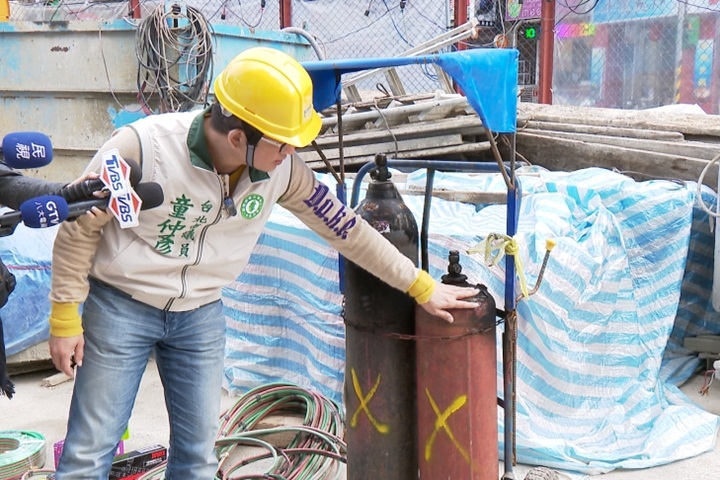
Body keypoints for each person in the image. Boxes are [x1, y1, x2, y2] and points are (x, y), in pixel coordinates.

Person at [48, 47, 480, 479]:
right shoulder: (140, 150)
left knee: (198, 458)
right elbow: (78, 227)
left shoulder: (283, 171)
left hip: (199, 313)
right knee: (90, 452)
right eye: (283, 142)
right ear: (238, 139)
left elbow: (345, 228)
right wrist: (65, 316)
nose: (292, 151)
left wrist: (421, 285)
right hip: (121, 307)